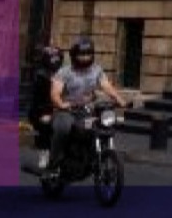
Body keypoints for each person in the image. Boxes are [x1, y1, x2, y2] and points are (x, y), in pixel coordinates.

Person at [47, 37, 126, 173]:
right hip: (66, 110)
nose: (85, 57)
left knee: (100, 125)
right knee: (63, 128)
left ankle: (92, 156)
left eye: (88, 54)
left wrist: (119, 99)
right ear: (74, 55)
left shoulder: (96, 70)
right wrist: (61, 104)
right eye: (82, 54)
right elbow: (55, 93)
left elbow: (106, 85)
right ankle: (54, 162)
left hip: (85, 110)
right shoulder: (65, 72)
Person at [28, 43, 64, 170]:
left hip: (60, 107)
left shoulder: (64, 73)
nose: (55, 61)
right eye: (52, 58)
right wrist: (45, 112)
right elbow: (39, 99)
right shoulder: (41, 76)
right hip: (41, 110)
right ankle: (44, 153)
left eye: (57, 58)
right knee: (45, 126)